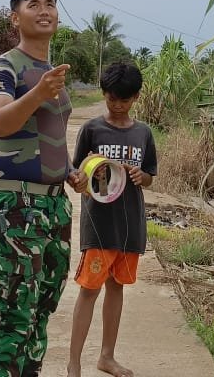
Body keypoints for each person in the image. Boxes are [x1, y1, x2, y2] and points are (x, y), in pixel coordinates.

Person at [0, 0, 86, 377]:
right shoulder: (4, 67)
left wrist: (69, 171)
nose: (44, 10)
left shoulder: (51, 75)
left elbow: (49, 136)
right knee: (15, 309)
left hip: (53, 203)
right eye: (33, 4)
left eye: (50, 4)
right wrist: (37, 93)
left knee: (42, 306)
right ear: (15, 18)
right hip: (15, 205)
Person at [67, 62, 158, 377]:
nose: (118, 105)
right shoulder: (92, 129)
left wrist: (141, 176)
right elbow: (76, 174)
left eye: (125, 100)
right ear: (103, 94)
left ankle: (107, 357)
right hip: (99, 224)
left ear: (136, 97)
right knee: (89, 289)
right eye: (111, 99)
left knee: (116, 286)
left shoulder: (143, 133)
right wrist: (82, 176)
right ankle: (74, 363)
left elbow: (150, 177)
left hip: (129, 224)